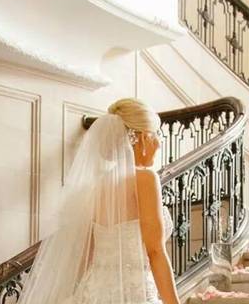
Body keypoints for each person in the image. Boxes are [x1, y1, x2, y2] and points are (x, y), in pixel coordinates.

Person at [17, 98, 181, 304]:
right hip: (133, 294)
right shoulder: (145, 179)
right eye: (156, 134)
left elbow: (85, 254)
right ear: (141, 138)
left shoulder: (97, 185)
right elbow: (155, 251)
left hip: (92, 293)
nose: (159, 142)